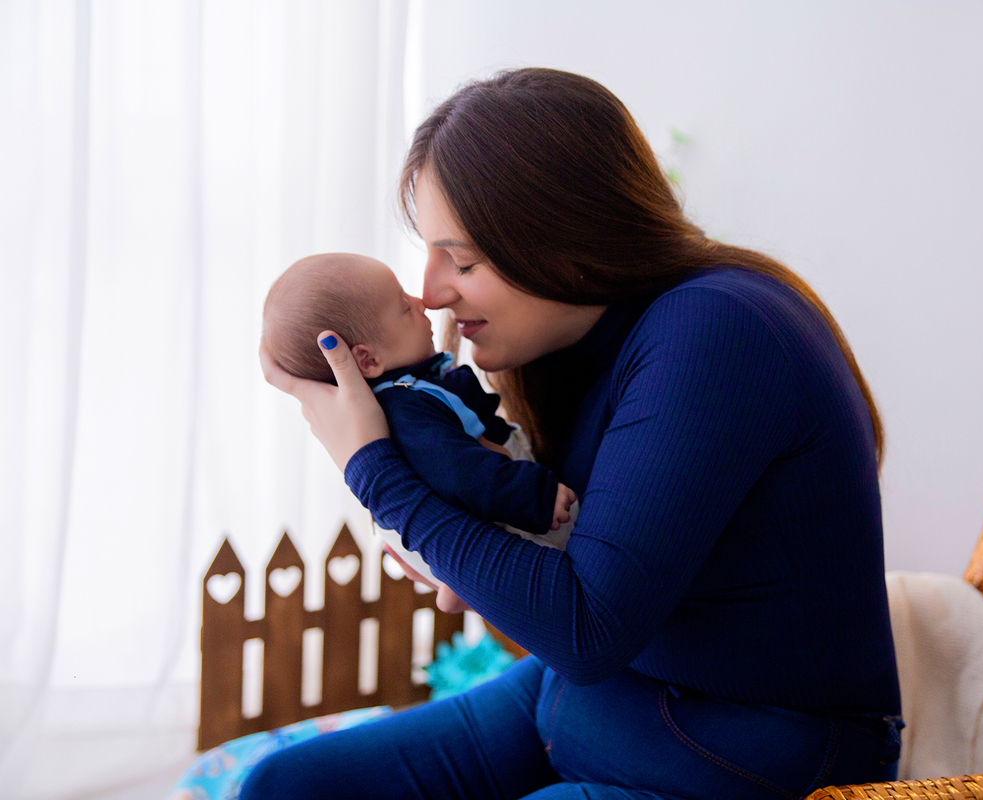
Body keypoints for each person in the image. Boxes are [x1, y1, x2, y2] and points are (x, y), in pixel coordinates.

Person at [247, 67, 902, 800]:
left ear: (566, 238)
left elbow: (586, 631)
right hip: (598, 701)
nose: (429, 292)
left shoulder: (716, 330)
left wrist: (373, 470)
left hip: (741, 748)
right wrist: (470, 563)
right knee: (283, 785)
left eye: (462, 260)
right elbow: (567, 594)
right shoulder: (570, 349)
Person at [262, 252, 575, 611]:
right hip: (514, 513)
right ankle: (464, 585)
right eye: (404, 306)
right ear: (367, 360)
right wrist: (536, 498)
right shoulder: (405, 410)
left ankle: (459, 587)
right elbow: (463, 473)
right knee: (570, 556)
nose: (421, 302)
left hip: (473, 520)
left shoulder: (410, 390)